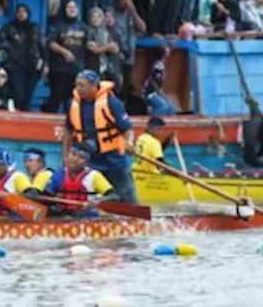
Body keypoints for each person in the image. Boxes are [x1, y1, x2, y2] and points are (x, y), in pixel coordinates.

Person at [66, 70, 135, 203]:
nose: (78, 89)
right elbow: (67, 130)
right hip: (89, 159)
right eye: (77, 85)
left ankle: (136, 218)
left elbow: (127, 129)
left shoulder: (112, 103)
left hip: (113, 158)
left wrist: (129, 142)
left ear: (94, 85)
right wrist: (66, 156)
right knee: (93, 195)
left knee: (126, 194)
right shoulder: (73, 104)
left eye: (82, 85)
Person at [28, 144, 119, 213]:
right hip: (63, 215)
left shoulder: (94, 176)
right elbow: (47, 196)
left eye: (81, 158)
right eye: (73, 155)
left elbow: (114, 196)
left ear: (86, 162)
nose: (75, 159)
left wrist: (98, 201)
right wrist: (33, 197)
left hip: (88, 217)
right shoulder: (59, 174)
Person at [0, 3, 43, 111]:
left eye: (24, 11)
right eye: (19, 11)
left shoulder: (34, 28)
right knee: (19, 94)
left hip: (33, 65)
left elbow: (42, 45)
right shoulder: (10, 27)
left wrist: (44, 63)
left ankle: (27, 120)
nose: (21, 14)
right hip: (16, 65)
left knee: (28, 96)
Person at [44, 1, 87, 113]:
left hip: (77, 68)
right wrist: (64, 52)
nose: (72, 9)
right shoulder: (57, 25)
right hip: (59, 67)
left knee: (74, 98)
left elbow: (89, 43)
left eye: (74, 7)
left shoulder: (83, 26)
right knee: (57, 96)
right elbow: (50, 43)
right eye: (69, 7)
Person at [130, 116, 167, 190]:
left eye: (162, 129)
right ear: (151, 129)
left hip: (135, 173)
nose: (161, 132)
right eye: (159, 129)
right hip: (148, 176)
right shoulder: (154, 142)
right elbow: (161, 163)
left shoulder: (141, 137)